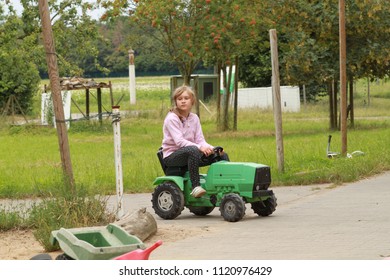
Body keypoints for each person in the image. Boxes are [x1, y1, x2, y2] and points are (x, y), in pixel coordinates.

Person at [161, 85, 228, 198]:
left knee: (221, 155)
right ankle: (195, 187)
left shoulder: (194, 118)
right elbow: (180, 142)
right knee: (193, 150)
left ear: (192, 100)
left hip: (192, 154)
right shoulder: (171, 118)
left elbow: (200, 140)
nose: (183, 101)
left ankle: (224, 186)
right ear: (175, 101)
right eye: (179, 99)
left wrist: (213, 149)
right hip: (172, 156)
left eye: (186, 98)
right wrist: (199, 148)